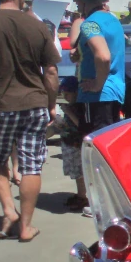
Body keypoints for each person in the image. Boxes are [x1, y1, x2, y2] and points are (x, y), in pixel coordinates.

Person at [0, 0, 60, 241]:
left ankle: (8, 210)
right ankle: (26, 226)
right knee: (31, 165)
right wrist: (51, 104)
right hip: (33, 103)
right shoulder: (37, 25)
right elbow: (50, 71)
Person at [66, 0, 125, 141]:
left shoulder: (90, 24)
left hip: (96, 96)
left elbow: (104, 56)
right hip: (114, 92)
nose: (75, 1)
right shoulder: (113, 20)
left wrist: (97, 83)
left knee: (95, 147)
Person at [57, 76, 88, 211]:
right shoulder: (70, 106)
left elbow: (80, 126)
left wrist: (68, 112)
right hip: (69, 142)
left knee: (80, 173)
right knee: (75, 173)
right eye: (63, 93)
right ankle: (80, 194)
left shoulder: (78, 107)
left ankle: (83, 197)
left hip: (76, 144)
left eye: (67, 93)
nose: (65, 96)